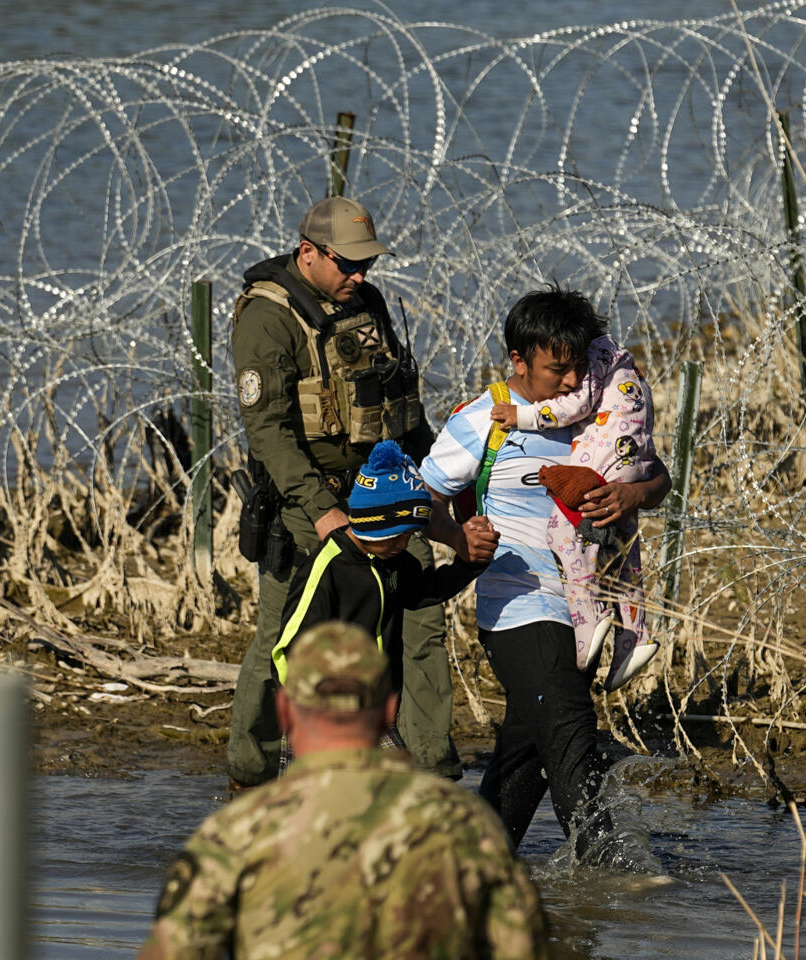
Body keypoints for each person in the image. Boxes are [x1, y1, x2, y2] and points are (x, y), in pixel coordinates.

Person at [227, 195, 497, 788]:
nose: (360, 275)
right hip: (306, 504)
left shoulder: (365, 302)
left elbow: (398, 403)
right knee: (286, 634)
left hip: (387, 490)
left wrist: (441, 476)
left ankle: (429, 768)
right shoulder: (267, 318)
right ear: (308, 253)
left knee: (421, 616)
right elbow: (268, 433)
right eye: (348, 264)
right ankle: (252, 769)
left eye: (366, 264)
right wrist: (323, 513)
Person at [418, 285, 671, 863]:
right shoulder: (483, 420)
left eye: (579, 365)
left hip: (588, 605)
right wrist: (457, 537)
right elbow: (419, 499)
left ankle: (470, 862)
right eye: (557, 369)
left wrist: (631, 493)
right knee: (567, 718)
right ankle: (607, 865)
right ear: (519, 361)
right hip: (517, 598)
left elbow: (659, 478)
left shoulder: (598, 406)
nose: (569, 381)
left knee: (529, 742)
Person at [139, 621, 549, 960]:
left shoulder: (235, 834)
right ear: (390, 712)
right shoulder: (467, 825)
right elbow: (523, 946)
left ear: (284, 710)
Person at [270, 439, 490, 768]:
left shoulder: (393, 561)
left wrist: (469, 564)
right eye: (400, 535)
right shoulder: (328, 567)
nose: (406, 544)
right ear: (375, 524)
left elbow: (422, 592)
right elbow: (289, 648)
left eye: (411, 535)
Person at [489, 328, 661, 688]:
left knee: (564, 533)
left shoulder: (592, 358)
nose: (570, 377)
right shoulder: (621, 361)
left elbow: (574, 406)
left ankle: (590, 617)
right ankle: (636, 635)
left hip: (605, 460)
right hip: (633, 460)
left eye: (573, 365)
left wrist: (520, 417)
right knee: (620, 551)